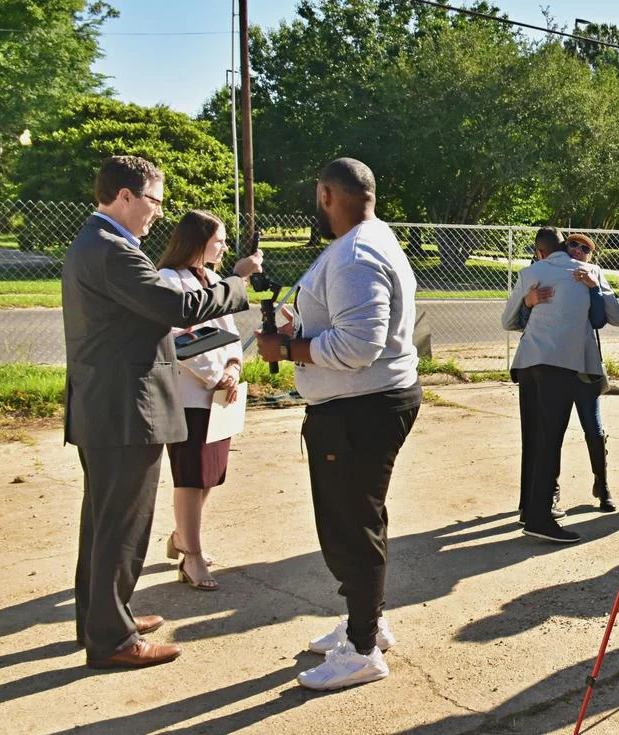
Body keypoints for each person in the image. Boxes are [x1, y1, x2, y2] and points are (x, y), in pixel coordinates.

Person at [64, 155, 262, 669]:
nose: (157, 212)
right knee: (121, 526)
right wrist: (237, 282)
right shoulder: (112, 251)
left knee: (104, 522)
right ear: (124, 196)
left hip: (108, 406)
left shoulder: (98, 244)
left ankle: (103, 616)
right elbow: (178, 308)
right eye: (153, 200)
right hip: (125, 408)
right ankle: (113, 639)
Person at [257, 158, 421, 690]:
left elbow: (358, 345)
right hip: (362, 404)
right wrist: (300, 327)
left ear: (327, 193)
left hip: (360, 408)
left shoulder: (355, 254)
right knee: (357, 520)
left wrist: (287, 346)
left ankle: (362, 650)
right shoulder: (370, 239)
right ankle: (367, 620)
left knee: (351, 528)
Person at [155, 211, 244, 592]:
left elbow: (233, 334)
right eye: (219, 238)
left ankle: (181, 537)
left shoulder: (214, 279)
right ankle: (191, 557)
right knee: (190, 477)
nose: (224, 245)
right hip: (190, 395)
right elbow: (177, 340)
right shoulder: (169, 280)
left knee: (209, 474)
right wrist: (215, 375)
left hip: (220, 398)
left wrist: (236, 367)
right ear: (197, 240)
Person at [502, 227, 610, 543]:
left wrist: (529, 303)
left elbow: (507, 321)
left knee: (533, 437)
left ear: (540, 252)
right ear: (564, 248)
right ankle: (540, 518)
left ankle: (529, 507)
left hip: (528, 364)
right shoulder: (589, 272)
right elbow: (608, 316)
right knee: (551, 440)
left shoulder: (530, 273)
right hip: (560, 367)